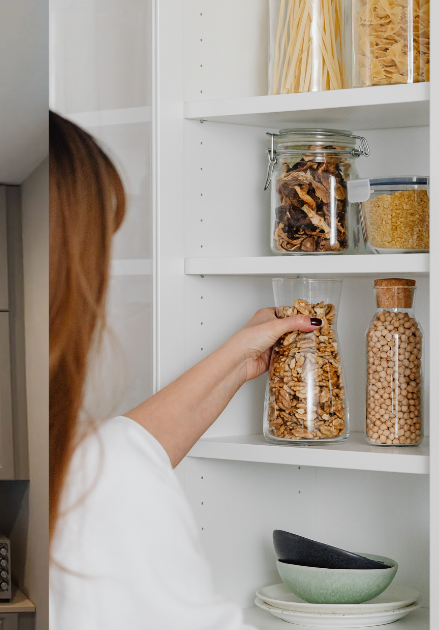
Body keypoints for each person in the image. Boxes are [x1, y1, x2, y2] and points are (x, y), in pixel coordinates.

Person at [48, 112, 322, 629]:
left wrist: (241, 357)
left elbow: (129, 447)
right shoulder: (104, 491)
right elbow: (113, 467)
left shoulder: (79, 462)